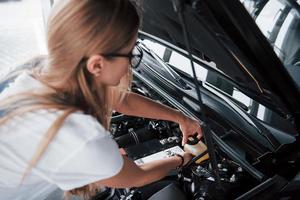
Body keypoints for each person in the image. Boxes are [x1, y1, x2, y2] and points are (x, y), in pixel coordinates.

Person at [0, 0, 202, 199]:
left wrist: (180, 117)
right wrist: (183, 158)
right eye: (130, 55)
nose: (131, 64)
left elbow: (121, 100)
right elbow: (138, 175)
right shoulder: (79, 136)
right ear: (97, 65)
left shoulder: (42, 68)